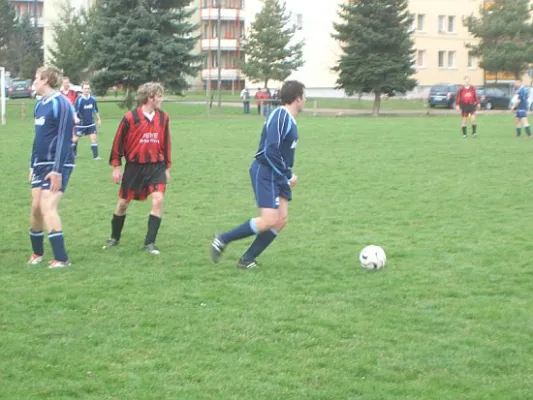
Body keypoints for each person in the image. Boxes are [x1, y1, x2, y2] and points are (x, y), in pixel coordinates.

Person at [210, 80, 306, 269]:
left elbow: (281, 151)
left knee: (281, 220)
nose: (305, 100)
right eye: (304, 96)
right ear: (297, 98)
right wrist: (287, 174)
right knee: (269, 220)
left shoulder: (289, 118)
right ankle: (222, 238)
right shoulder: (280, 116)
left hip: (277, 173)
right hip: (266, 171)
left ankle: (247, 259)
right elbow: (270, 150)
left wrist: (287, 174)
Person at [103, 82, 172, 255]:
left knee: (158, 201)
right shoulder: (130, 118)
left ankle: (150, 243)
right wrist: (116, 167)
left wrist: (167, 167)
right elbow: (118, 142)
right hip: (134, 168)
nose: (161, 99)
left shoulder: (164, 118)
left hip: (156, 166)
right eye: (159, 96)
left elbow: (166, 144)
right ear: (150, 98)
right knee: (123, 203)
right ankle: (114, 237)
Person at [27, 66, 75, 268]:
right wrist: (32, 164)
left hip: (59, 164)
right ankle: (37, 253)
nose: (34, 83)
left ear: (45, 79)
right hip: (40, 164)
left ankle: (62, 259)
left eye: (36, 78)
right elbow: (37, 139)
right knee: (36, 207)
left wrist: (56, 171)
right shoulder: (39, 105)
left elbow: (65, 139)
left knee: (48, 206)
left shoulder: (61, 103)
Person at [73, 83, 102, 159]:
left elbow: (95, 110)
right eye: (85, 88)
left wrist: (99, 119)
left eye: (88, 88)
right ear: (82, 89)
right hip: (81, 124)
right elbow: (75, 111)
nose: (87, 90)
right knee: (75, 139)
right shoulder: (79, 100)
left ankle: (96, 157)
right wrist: (75, 118)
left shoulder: (92, 99)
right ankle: (73, 153)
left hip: (90, 123)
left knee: (94, 139)